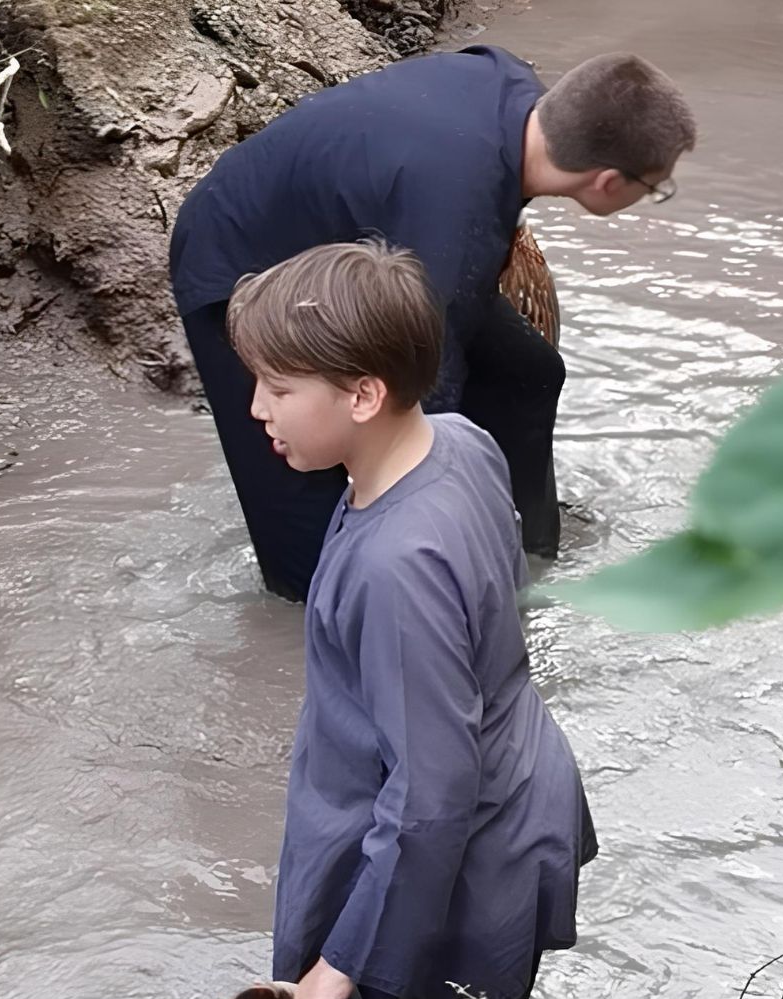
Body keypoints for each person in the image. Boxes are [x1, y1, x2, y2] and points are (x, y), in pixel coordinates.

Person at [228, 239, 597, 999]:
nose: (255, 408)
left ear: (361, 395)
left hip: (451, 889)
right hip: (513, 807)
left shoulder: (398, 567)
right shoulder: (460, 444)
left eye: (278, 387)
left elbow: (431, 795)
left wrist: (338, 968)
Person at [170, 45, 696, 601]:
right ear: (610, 182)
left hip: (367, 256)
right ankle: (307, 624)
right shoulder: (454, 206)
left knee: (526, 373)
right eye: (656, 186)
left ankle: (526, 547)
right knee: (307, 521)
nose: (653, 194)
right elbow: (425, 394)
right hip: (242, 267)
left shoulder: (510, 89)